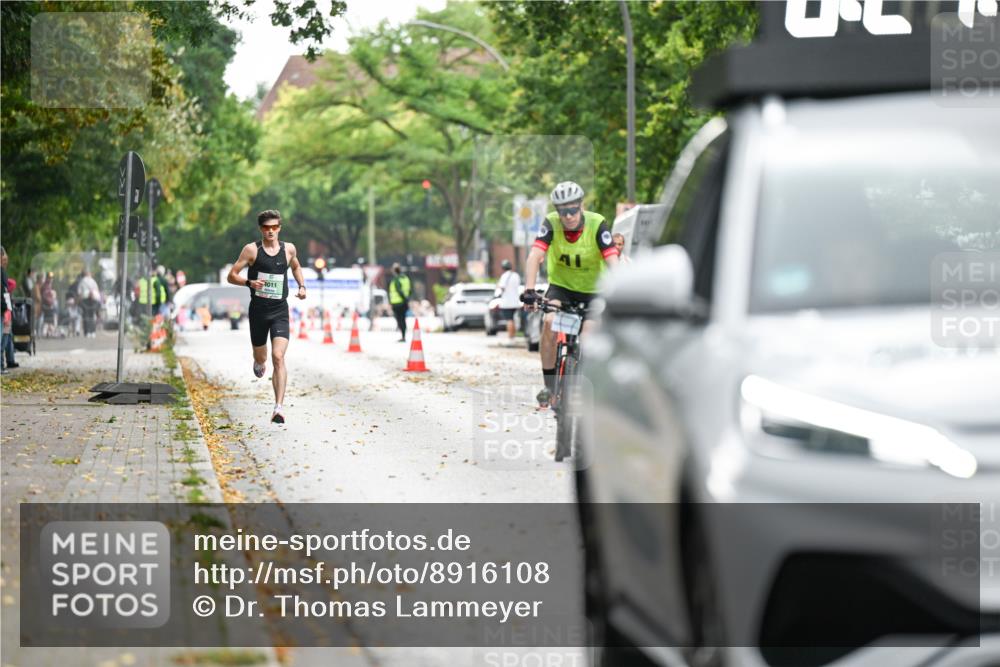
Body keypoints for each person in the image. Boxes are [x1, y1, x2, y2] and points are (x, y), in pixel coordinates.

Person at [521, 181, 619, 407]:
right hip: (562, 288)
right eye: (563, 211)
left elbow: (613, 260)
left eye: (573, 210)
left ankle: (586, 385)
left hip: (595, 291)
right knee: (549, 323)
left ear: (581, 206)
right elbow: (535, 256)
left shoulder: (597, 224)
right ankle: (549, 387)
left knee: (587, 337)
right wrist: (529, 290)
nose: (568, 216)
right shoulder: (551, 224)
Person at [227, 209, 307, 424]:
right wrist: (248, 282)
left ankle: (278, 407)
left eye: (274, 227)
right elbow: (231, 275)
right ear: (260, 229)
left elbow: (296, 267)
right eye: (266, 228)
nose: (270, 231)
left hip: (280, 310)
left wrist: (301, 286)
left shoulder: (288, 249)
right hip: (258, 312)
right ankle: (257, 360)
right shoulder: (252, 250)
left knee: (278, 357)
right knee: (262, 358)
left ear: (279, 228)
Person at [495, 259, 521, 341]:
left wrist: (498, 285)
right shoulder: (516, 275)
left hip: (507, 302)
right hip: (515, 301)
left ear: (503, 268)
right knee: (513, 319)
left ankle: (510, 336)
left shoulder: (504, 276)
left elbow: (502, 287)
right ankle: (513, 335)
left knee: (509, 320)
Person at [1, 247, 17, 372]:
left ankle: (4, 363)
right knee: (3, 336)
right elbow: (11, 285)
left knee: (6, 335)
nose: (6, 262)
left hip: (5, 308)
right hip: (4, 308)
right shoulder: (2, 272)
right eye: (4, 259)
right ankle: (1, 364)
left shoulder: (3, 272)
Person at [388, 262, 412, 342]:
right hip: (404, 303)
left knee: (399, 319)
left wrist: (404, 298)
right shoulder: (406, 279)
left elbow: (399, 290)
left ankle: (403, 336)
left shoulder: (396, 279)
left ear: (394, 271)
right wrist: (407, 299)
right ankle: (404, 335)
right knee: (403, 319)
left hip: (397, 303)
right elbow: (410, 290)